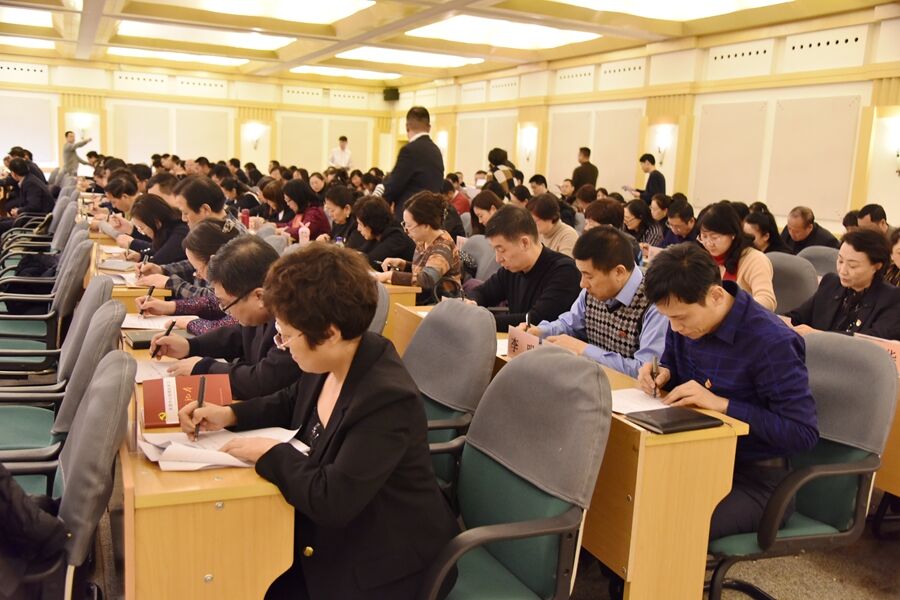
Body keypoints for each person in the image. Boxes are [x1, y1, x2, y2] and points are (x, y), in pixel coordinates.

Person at [178, 244, 459, 599]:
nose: (282, 346)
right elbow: (290, 400)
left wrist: (270, 453)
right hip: (332, 528)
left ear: (329, 332)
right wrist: (230, 414)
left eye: (287, 336)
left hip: (381, 560)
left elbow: (333, 500)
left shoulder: (386, 399)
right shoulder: (337, 357)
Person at [637, 243, 818, 541]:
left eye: (681, 318)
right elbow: (673, 364)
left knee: (666, 528)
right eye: (668, 318)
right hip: (696, 458)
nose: (675, 328)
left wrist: (723, 405)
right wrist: (663, 373)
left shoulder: (772, 342)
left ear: (716, 295)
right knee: (624, 503)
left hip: (754, 480)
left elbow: (802, 433)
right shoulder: (685, 320)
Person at [150, 236, 302, 398]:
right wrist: (190, 346)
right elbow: (238, 335)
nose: (225, 311)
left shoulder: (295, 322)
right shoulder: (263, 311)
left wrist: (205, 367)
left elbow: (263, 380)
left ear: (259, 297)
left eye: (225, 304)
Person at [525, 227, 667, 378]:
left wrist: (584, 350)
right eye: (581, 274)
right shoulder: (591, 292)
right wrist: (541, 331)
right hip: (593, 381)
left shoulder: (655, 304)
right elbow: (569, 324)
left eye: (589, 276)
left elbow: (645, 370)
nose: (582, 284)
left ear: (619, 272)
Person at [467, 205, 581, 332]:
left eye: (501, 250)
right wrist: (472, 302)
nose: (498, 259)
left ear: (524, 243)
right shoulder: (512, 269)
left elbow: (534, 320)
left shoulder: (564, 271)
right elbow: (482, 292)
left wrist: (481, 321)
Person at [786, 229, 900, 340]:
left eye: (853, 266)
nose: (843, 270)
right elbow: (796, 317)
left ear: (877, 266)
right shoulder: (830, 283)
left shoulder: (892, 298)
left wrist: (817, 335)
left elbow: (873, 339)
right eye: (840, 261)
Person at [135, 219, 241, 335]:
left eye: (198, 269)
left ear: (213, 261)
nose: (197, 275)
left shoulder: (243, 287)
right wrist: (170, 307)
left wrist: (189, 323)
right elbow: (213, 303)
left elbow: (229, 330)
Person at [374, 192, 460, 303]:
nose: (406, 230)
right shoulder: (423, 240)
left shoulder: (443, 247)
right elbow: (424, 270)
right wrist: (404, 264)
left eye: (409, 225)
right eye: (404, 224)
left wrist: (389, 275)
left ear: (426, 225)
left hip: (441, 304)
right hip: (424, 299)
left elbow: (427, 279)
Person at [698, 201, 776, 311]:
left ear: (732, 234)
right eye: (704, 237)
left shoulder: (754, 259)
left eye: (714, 237)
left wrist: (732, 310)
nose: (709, 243)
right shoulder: (704, 258)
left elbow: (767, 301)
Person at [383, 106, 444, 220]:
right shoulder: (436, 150)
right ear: (429, 127)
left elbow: (394, 185)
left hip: (410, 216)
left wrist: (381, 208)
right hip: (432, 216)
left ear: (407, 126)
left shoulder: (409, 150)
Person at [125, 194, 189, 264]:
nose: (142, 232)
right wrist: (140, 256)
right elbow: (157, 249)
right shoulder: (165, 230)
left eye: (142, 228)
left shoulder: (180, 232)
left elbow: (159, 260)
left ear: (156, 222)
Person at [355, 196, 415, 270]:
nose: (358, 229)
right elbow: (358, 254)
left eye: (360, 224)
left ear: (371, 223)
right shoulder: (376, 236)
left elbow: (368, 263)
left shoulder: (397, 238)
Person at [1, 158, 53, 233]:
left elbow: (34, 207)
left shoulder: (30, 184)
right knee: (1, 220)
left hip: (35, 220)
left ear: (14, 174)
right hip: (32, 217)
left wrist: (18, 211)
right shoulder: (29, 178)